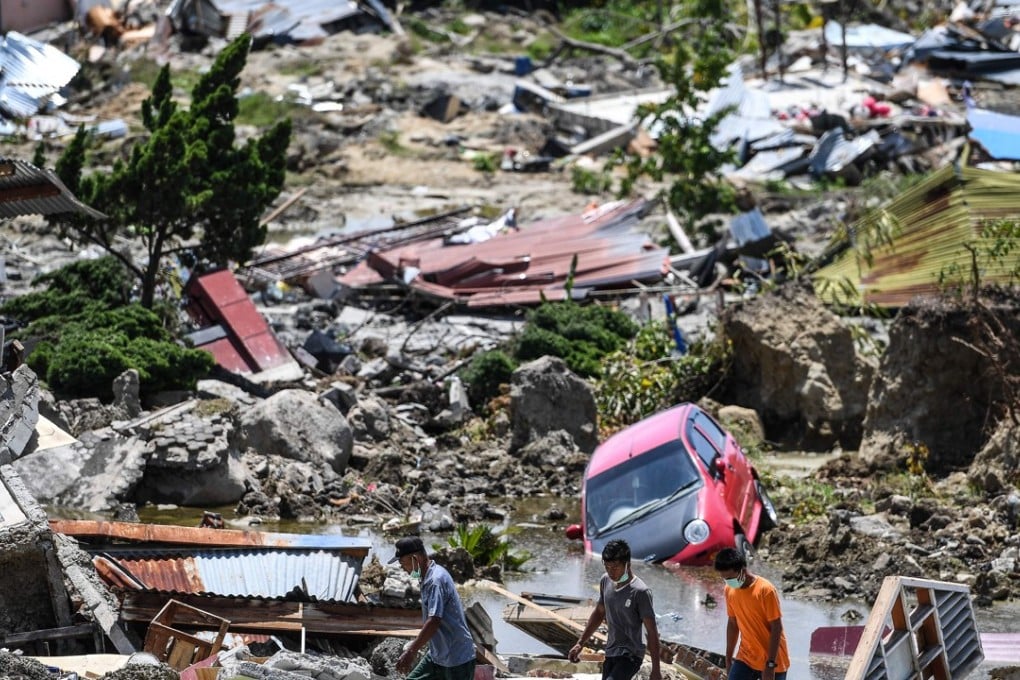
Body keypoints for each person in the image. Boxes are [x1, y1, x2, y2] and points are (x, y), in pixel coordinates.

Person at [568, 539, 661, 680]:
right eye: (607, 567)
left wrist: (656, 669)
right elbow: (599, 613)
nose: (611, 572)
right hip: (611, 652)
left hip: (631, 655)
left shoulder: (640, 592)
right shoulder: (605, 581)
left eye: (615, 567)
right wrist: (580, 643)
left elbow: (652, 631)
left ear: (627, 564)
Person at [390, 536, 477, 680]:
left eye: (403, 563)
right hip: (437, 656)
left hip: (457, 658)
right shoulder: (425, 577)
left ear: (415, 559)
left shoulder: (436, 580)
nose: (402, 568)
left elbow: (434, 620)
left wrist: (411, 651)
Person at [713, 547, 790, 680]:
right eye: (724, 578)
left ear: (742, 569)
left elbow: (776, 627)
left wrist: (770, 665)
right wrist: (728, 658)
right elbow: (732, 623)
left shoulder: (765, 590)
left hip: (773, 660)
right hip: (746, 658)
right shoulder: (729, 590)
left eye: (730, 577)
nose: (728, 581)